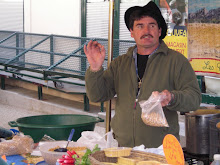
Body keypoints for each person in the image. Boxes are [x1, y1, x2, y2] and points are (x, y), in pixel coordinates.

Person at [84, 1, 201, 148]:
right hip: (122, 148)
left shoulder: (176, 61)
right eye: (140, 26)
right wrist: (95, 68)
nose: (146, 30)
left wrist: (172, 97)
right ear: (131, 32)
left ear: (159, 31)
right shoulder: (120, 63)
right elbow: (97, 95)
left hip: (160, 150)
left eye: (152, 25)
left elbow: (194, 98)